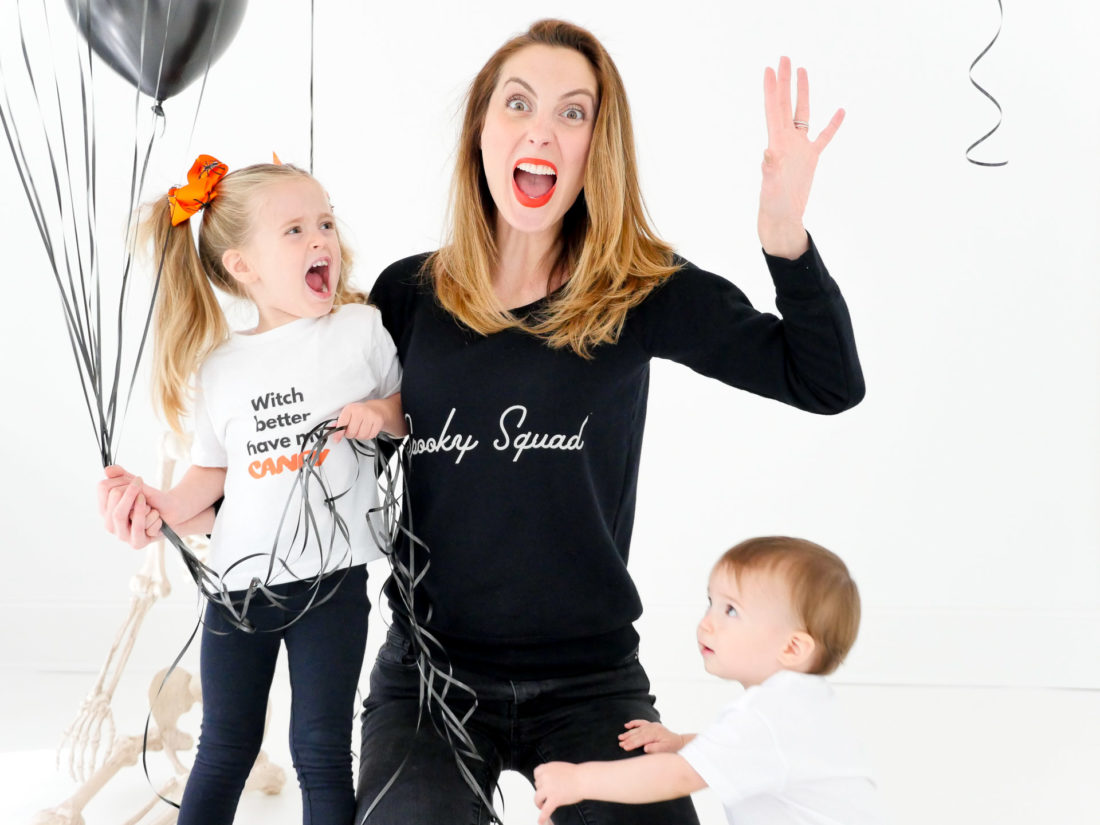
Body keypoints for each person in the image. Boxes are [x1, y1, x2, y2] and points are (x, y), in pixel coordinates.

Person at [354, 18, 864, 825]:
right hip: (429, 677)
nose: (542, 129)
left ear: (599, 145)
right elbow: (330, 449)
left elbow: (826, 381)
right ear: (481, 130)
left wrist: (783, 234)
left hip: (590, 682)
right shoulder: (410, 293)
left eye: (574, 112)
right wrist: (198, 499)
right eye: (518, 103)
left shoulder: (641, 290)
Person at [97, 156, 405, 825]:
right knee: (224, 746)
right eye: (295, 230)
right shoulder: (221, 366)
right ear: (243, 266)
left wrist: (381, 415)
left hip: (332, 586)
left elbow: (409, 410)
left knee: (321, 748)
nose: (322, 237)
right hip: (238, 590)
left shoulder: (358, 331)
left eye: (324, 221)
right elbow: (211, 477)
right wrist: (158, 504)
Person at [532, 536, 881, 825]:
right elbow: (753, 751)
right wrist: (683, 741)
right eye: (711, 602)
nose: (707, 622)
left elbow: (679, 777)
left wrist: (581, 780)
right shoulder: (801, 705)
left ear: (792, 647)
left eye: (731, 610)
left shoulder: (771, 711)